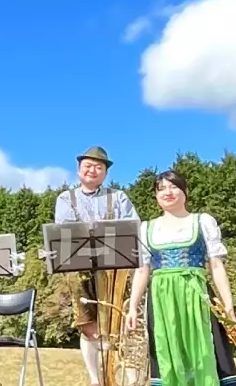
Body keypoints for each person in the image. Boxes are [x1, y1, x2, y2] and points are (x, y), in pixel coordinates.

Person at [125, 170, 236, 386]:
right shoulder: (147, 228)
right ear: (155, 196)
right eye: (161, 189)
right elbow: (142, 270)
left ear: (185, 191)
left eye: (173, 187)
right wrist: (133, 307)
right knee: (166, 350)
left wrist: (228, 304)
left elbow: (215, 265)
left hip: (196, 295)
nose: (167, 193)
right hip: (161, 299)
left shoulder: (202, 221)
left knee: (208, 348)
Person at [53, 145, 140, 386]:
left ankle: (124, 376)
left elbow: (132, 227)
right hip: (80, 269)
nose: (92, 170)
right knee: (87, 325)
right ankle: (95, 379)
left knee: (119, 324)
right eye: (88, 166)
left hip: (114, 268)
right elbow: (64, 233)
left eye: (98, 167)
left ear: (105, 172)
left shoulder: (119, 197)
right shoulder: (65, 198)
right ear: (79, 169)